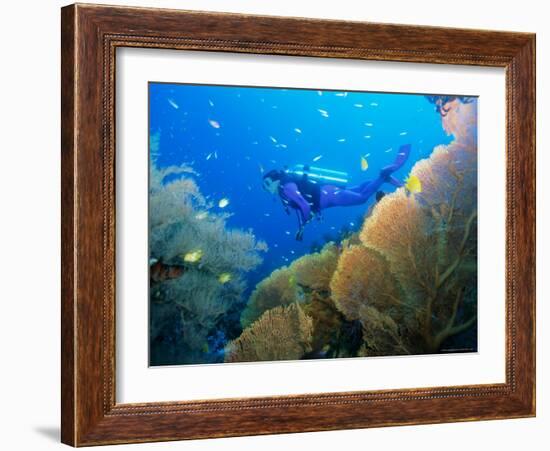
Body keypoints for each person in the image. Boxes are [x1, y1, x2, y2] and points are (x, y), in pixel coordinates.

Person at [262, 144, 411, 240]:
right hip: (329, 192)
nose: (266, 189)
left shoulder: (286, 188)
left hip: (331, 196)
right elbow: (300, 209)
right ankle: (380, 179)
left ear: (274, 179)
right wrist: (301, 228)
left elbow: (304, 207)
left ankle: (382, 175)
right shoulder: (284, 192)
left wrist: (307, 219)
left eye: (266, 184)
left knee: (362, 198)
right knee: (359, 189)